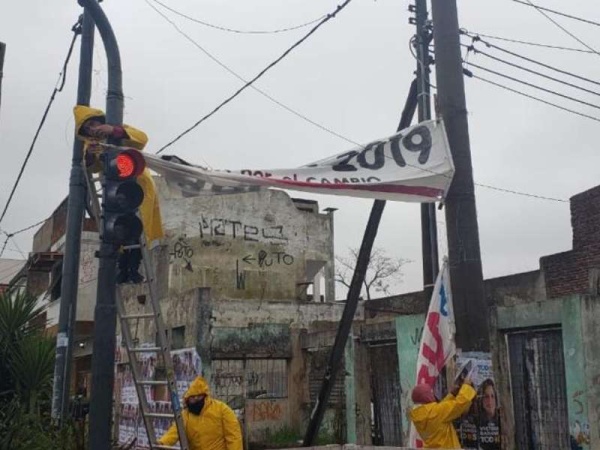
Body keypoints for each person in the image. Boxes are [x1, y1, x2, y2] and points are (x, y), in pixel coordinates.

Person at [73, 105, 164, 284]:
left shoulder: (119, 130)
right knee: (120, 227)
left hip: (137, 185)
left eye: (93, 124)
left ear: (101, 121)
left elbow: (142, 139)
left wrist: (115, 131)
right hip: (115, 191)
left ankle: (133, 267)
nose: (92, 129)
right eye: (88, 128)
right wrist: (90, 156)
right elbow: (93, 169)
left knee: (138, 228)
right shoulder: (90, 145)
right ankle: (123, 269)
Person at [158, 375, 242, 450]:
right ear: (188, 399)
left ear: (205, 396)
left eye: (198, 397)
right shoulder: (186, 415)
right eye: (193, 397)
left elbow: (234, 438)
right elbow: (174, 432)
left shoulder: (222, 410)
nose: (195, 399)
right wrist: (161, 444)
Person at [410, 378, 477, 449]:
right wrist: (466, 386)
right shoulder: (437, 412)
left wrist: (452, 395)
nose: (433, 395)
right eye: (430, 393)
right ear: (426, 396)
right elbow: (459, 404)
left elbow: (440, 411)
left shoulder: (419, 415)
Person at [477, 379, 500, 450]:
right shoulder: (477, 421)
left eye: (492, 396)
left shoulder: (502, 421)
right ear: (481, 400)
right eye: (486, 396)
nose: (490, 401)